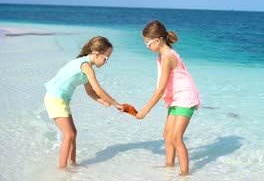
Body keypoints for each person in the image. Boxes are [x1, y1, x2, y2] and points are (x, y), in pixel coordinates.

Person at [43, 36, 124, 168]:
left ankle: (73, 164)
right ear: (97, 54)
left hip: (60, 99)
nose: (106, 62)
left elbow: (90, 92)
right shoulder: (86, 66)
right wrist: (116, 103)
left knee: (73, 133)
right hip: (55, 98)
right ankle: (62, 169)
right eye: (106, 58)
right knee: (69, 135)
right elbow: (97, 89)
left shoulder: (84, 64)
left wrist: (103, 102)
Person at [137, 20, 201, 176]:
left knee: (176, 137)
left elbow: (160, 90)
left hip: (185, 97)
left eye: (148, 43)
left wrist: (145, 110)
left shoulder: (167, 58)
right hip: (175, 98)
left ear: (158, 40)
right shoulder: (161, 56)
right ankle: (169, 166)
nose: (147, 47)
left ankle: (185, 174)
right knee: (167, 135)